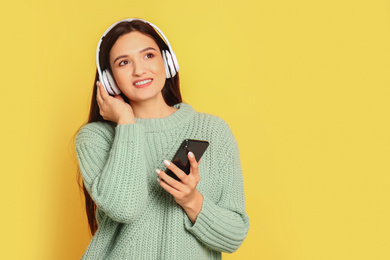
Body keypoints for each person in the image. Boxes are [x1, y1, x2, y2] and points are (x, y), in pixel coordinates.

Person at [75, 18, 249, 259]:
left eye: (148, 56)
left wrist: (191, 200)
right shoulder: (95, 138)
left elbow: (233, 237)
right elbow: (125, 208)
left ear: (167, 62)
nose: (139, 70)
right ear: (108, 79)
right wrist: (126, 122)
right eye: (124, 62)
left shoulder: (213, 131)